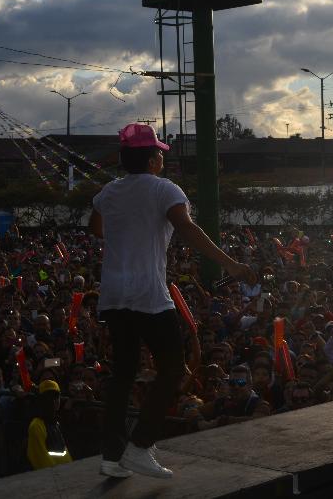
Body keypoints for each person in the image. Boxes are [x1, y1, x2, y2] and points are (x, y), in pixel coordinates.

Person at [88, 123, 253, 479]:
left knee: (123, 373)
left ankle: (111, 456)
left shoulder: (108, 192)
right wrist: (230, 264)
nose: (162, 160)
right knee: (173, 368)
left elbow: (97, 229)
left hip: (113, 294)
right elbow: (187, 228)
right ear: (152, 160)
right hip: (147, 293)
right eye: (159, 154)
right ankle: (140, 445)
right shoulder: (165, 189)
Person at [26, 379, 73, 469]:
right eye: (49, 396)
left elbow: (64, 453)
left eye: (56, 396)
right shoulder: (36, 426)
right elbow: (40, 459)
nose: (53, 400)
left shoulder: (56, 424)